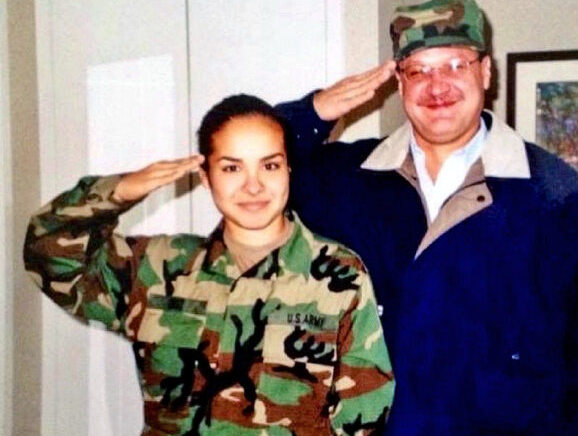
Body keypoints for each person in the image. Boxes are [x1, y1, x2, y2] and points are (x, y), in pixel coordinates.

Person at [279, 0, 578, 435]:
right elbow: (248, 165)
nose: (438, 87)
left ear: (485, 72)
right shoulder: (347, 179)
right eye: (418, 70)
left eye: (456, 65)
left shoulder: (549, 189)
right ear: (399, 84)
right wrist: (315, 111)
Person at [24, 94, 394, 436]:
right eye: (232, 168)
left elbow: (365, 409)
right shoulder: (157, 268)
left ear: (289, 170)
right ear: (205, 177)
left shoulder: (340, 274)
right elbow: (49, 253)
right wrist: (118, 191)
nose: (254, 186)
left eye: (270, 165)